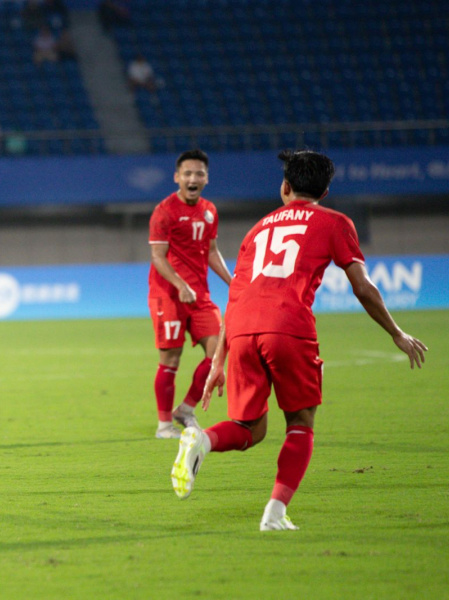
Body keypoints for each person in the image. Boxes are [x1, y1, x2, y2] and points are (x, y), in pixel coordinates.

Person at [170, 149, 427, 530]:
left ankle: (202, 441)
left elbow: (236, 294)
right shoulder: (335, 222)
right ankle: (274, 515)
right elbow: (362, 286)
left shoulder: (258, 229)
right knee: (300, 422)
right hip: (288, 326)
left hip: (240, 329)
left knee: (250, 428)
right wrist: (396, 332)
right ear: (324, 191)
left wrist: (219, 361)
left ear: (285, 187)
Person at [148, 150, 232, 440]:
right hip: (168, 295)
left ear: (206, 178)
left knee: (219, 350)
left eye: (199, 174)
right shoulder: (164, 211)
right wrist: (180, 285)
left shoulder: (210, 211)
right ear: (177, 177)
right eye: (187, 173)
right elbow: (158, 257)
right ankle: (163, 426)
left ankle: (185, 409)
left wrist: (233, 282)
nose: (193, 178)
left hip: (200, 296)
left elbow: (211, 251)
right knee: (171, 358)